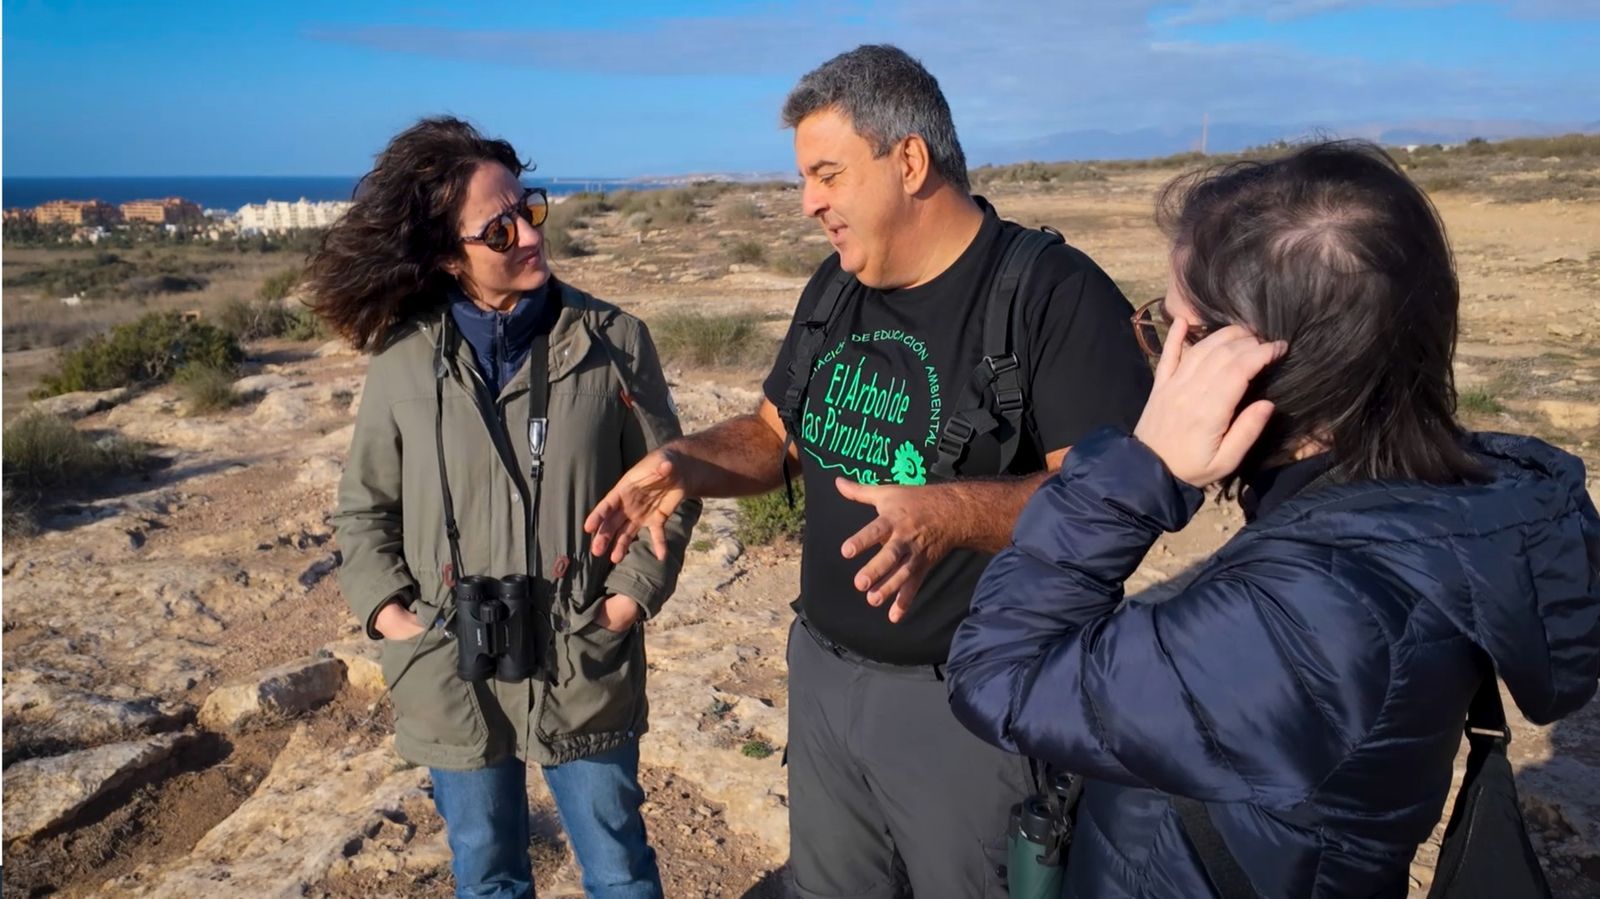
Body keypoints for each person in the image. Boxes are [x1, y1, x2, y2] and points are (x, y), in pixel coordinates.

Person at [946, 140, 1600, 897]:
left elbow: (997, 673)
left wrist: (1139, 472)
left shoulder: (1313, 612)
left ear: (1250, 367)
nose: (1160, 361)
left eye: (1175, 330)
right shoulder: (1421, 510)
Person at [585, 45, 1152, 897]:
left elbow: (1111, 500)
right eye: (804, 180)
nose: (808, 203)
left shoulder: (1052, 295)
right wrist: (684, 462)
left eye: (827, 175)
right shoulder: (835, 287)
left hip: (969, 707)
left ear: (910, 161)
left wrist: (952, 513)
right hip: (822, 678)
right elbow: (773, 434)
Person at [310, 116, 700, 899]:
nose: (528, 234)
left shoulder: (613, 340)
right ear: (448, 254)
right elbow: (364, 511)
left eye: (530, 209)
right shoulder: (403, 359)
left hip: (581, 654)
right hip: (449, 662)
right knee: (487, 872)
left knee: (620, 869)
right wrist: (392, 615)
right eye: (498, 228)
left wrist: (624, 602)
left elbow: (669, 487)